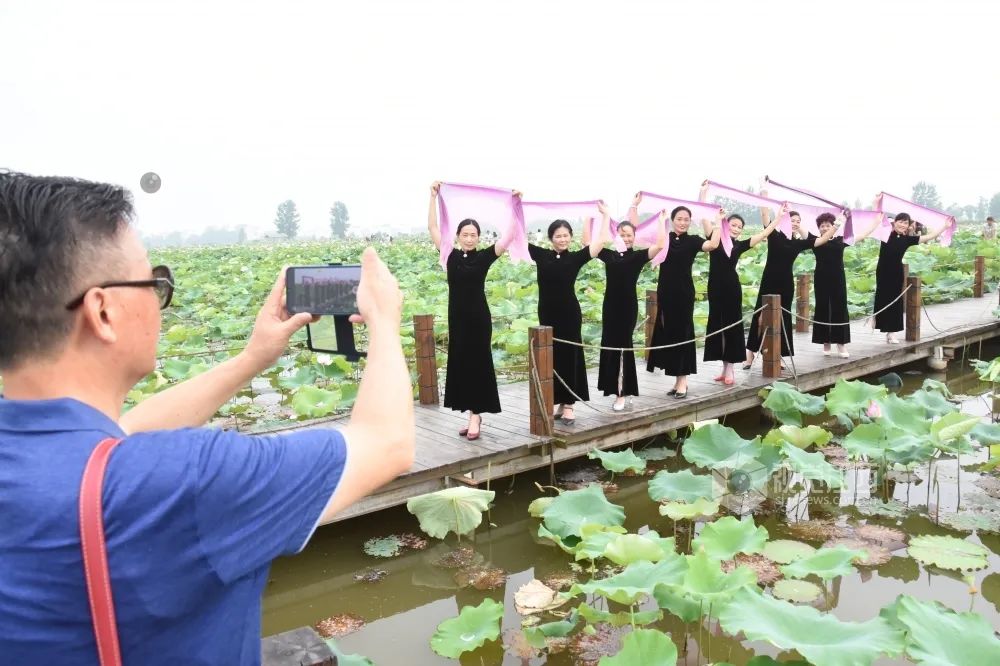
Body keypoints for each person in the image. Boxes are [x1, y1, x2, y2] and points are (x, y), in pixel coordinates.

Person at [0, 172, 415, 664]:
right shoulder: (190, 480)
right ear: (103, 311)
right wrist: (385, 323)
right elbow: (388, 441)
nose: (159, 297)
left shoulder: (45, 454)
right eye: (154, 282)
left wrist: (252, 358)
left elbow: (123, 432)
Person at [427, 181, 517, 440]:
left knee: (478, 365)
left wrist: (515, 205)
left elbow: (509, 236)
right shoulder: (449, 255)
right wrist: (432, 197)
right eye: (464, 234)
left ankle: (476, 416)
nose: (468, 238)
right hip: (457, 319)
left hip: (478, 320)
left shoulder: (485, 257)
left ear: (478, 238)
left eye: (473, 235)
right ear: (457, 237)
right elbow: (433, 227)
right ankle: (470, 413)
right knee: (461, 365)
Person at [582, 193, 667, 411]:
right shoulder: (609, 255)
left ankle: (622, 392)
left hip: (627, 308)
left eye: (629, 235)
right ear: (616, 235)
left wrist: (661, 221)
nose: (626, 238)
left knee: (623, 347)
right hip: (610, 307)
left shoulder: (637, 257)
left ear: (634, 236)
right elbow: (586, 243)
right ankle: (615, 388)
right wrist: (590, 218)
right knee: (610, 346)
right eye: (622, 234)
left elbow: (659, 245)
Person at [529, 210, 605, 425]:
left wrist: (605, 215)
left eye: (566, 235)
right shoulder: (541, 255)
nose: (562, 239)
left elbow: (599, 243)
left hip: (569, 314)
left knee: (569, 355)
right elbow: (515, 237)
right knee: (551, 357)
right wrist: (515, 205)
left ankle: (569, 403)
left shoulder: (575, 257)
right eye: (558, 236)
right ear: (551, 238)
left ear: (571, 236)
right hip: (547, 313)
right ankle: (556, 400)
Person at [744, 207, 838, 369]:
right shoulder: (774, 235)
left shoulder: (798, 243)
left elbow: (820, 241)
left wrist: (837, 226)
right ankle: (750, 355)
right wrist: (765, 191)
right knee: (759, 317)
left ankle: (778, 356)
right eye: (792, 220)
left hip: (786, 284)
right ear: (784, 220)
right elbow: (765, 215)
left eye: (798, 221)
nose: (795, 223)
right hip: (769, 281)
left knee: (782, 320)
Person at [646, 206, 722, 398]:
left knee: (683, 335)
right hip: (665, 293)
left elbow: (712, 245)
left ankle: (683, 381)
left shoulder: (693, 240)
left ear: (690, 221)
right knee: (669, 334)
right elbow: (639, 237)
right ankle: (676, 379)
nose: (682, 222)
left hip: (684, 294)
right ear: (672, 220)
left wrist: (719, 221)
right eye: (679, 219)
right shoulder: (665, 239)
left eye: (686, 219)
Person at [701, 207, 782, 385]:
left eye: (739, 227)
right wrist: (704, 193)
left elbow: (764, 233)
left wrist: (778, 218)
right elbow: (704, 218)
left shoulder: (739, 245)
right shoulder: (715, 240)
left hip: (731, 289)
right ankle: (723, 368)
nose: (736, 229)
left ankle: (730, 369)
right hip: (714, 288)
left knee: (731, 326)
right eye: (733, 225)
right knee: (717, 325)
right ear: (725, 225)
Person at [872, 208, 947, 343]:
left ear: (908, 225)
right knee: (882, 296)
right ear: (894, 222)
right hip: (883, 271)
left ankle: (891, 333)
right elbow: (876, 217)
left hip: (896, 272)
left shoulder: (907, 239)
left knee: (896, 301)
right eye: (900, 222)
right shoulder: (886, 233)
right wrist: (876, 203)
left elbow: (928, 237)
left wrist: (944, 227)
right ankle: (878, 320)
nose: (902, 225)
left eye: (905, 223)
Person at [811, 212, 852, 358]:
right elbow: (801, 229)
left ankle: (841, 344)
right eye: (822, 226)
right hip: (821, 278)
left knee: (840, 308)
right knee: (822, 308)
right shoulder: (816, 241)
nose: (824, 228)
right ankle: (825, 341)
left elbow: (861, 234)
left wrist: (876, 218)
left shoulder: (841, 240)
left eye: (827, 225)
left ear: (834, 226)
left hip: (838, 278)